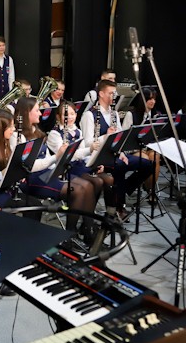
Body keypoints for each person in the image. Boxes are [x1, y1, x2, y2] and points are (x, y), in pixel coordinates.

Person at [80, 79, 153, 219]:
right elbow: (87, 143)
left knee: (148, 165)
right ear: (101, 94)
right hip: (99, 156)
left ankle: (123, 190)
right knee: (119, 167)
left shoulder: (114, 113)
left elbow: (120, 137)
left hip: (115, 154)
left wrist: (122, 153)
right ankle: (118, 206)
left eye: (115, 93)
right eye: (111, 93)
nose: (114, 96)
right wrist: (105, 137)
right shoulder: (89, 115)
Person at [46, 101, 117, 235]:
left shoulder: (77, 130)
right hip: (67, 168)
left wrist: (95, 162)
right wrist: (89, 150)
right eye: (65, 115)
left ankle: (105, 217)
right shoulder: (54, 134)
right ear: (58, 117)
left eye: (72, 114)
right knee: (97, 181)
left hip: (80, 165)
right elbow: (69, 156)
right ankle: (87, 225)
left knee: (108, 179)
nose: (70, 117)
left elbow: (84, 155)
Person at [0, 109, 44, 220]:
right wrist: (7, 171)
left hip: (7, 190)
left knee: (36, 205)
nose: (13, 129)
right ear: (0, 128)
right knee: (31, 208)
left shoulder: (6, 142)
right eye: (10, 126)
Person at [121, 87, 162, 197]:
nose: (153, 101)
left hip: (148, 146)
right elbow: (124, 135)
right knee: (145, 159)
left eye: (154, 99)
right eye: (150, 99)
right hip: (133, 148)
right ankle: (129, 186)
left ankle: (150, 189)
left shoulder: (156, 115)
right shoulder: (131, 114)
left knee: (155, 157)